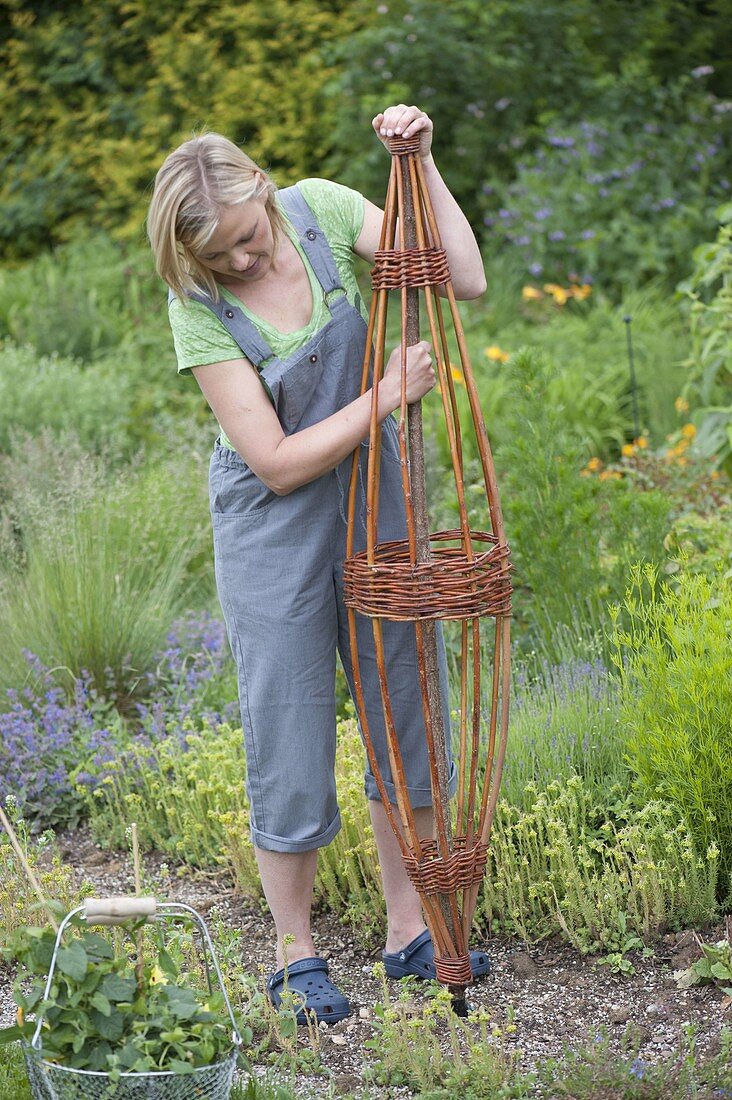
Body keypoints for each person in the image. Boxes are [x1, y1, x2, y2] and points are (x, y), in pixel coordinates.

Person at [147, 105, 489, 1023]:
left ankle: (409, 933)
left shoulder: (326, 211)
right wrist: (385, 396)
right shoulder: (199, 308)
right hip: (275, 528)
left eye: (250, 241)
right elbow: (279, 461)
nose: (245, 263)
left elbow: (463, 277)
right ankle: (294, 954)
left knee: (406, 712)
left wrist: (422, 163)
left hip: (381, 508)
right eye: (222, 259)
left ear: (264, 193)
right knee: (290, 730)